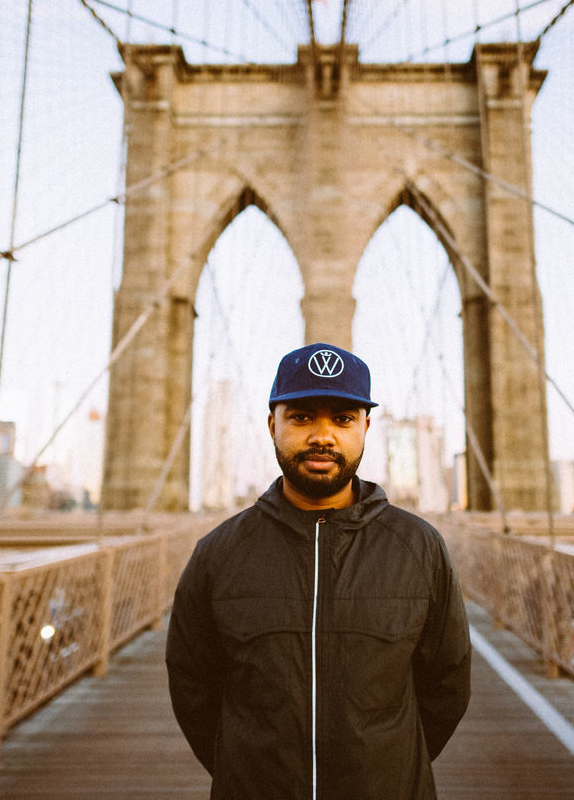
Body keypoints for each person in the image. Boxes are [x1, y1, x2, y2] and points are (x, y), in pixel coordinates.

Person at [166, 342, 471, 799]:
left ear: (366, 427)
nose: (322, 436)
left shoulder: (418, 549)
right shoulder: (219, 554)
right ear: (273, 425)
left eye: (343, 419)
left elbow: (447, 685)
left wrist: (388, 765)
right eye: (302, 417)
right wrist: (244, 768)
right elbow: (193, 687)